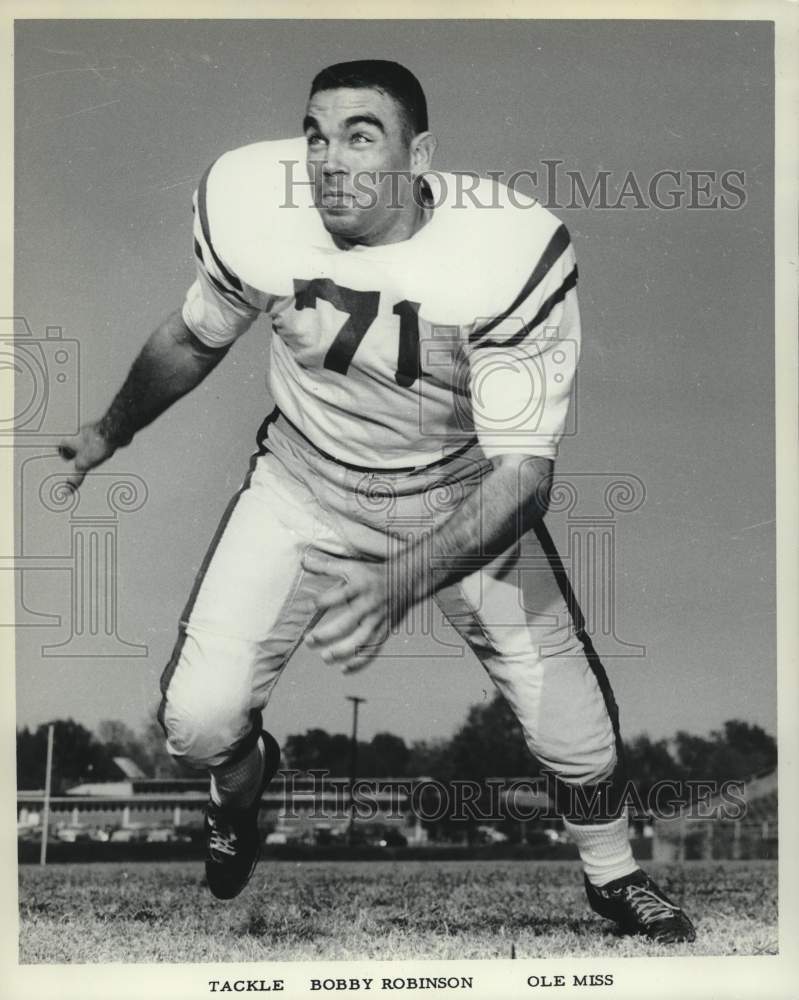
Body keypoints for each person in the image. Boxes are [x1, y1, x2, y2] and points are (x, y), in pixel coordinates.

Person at [58, 59, 695, 942]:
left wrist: (402, 580)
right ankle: (240, 799)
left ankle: (614, 876)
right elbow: (191, 335)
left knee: (574, 729)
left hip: (460, 493)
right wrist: (109, 431)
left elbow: (522, 476)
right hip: (304, 485)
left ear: (418, 154)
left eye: (362, 135)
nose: (329, 159)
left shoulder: (507, 250)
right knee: (199, 725)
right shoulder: (254, 204)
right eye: (315, 135)